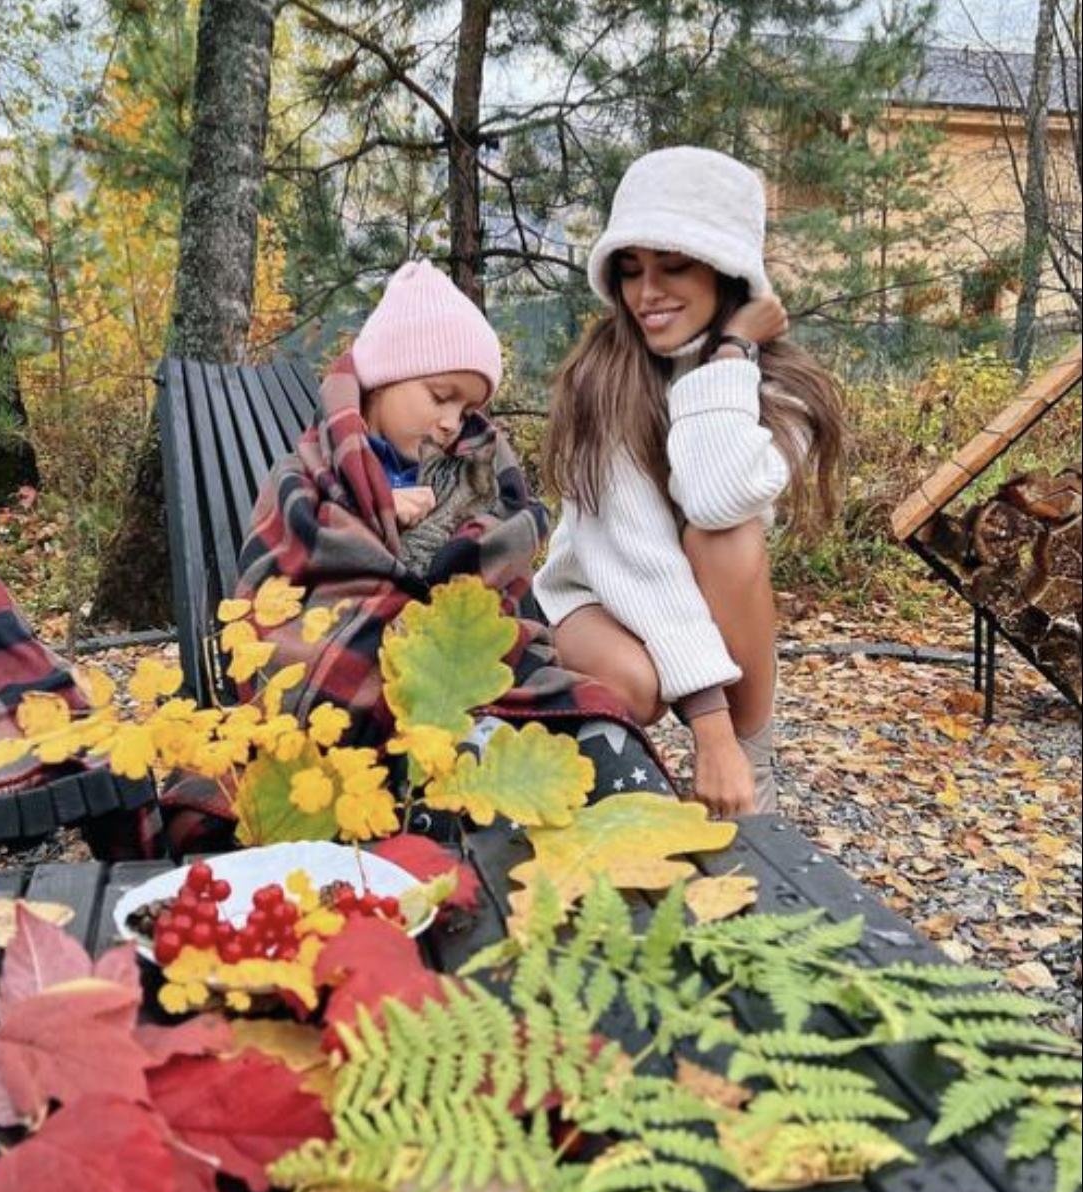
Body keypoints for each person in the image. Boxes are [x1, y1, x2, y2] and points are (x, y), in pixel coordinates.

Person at [162, 260, 673, 855]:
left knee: (599, 728)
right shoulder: (308, 476)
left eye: (466, 407)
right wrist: (379, 510)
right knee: (472, 751)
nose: (451, 422)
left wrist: (440, 532)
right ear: (383, 379)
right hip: (358, 684)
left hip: (467, 663)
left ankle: (662, 855)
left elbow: (500, 553)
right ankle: (492, 870)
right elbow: (272, 594)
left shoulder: (475, 469)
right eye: (440, 396)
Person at [534, 146, 846, 818]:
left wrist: (731, 355)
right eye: (630, 269)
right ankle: (608, 772)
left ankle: (751, 771)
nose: (646, 293)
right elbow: (638, 558)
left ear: (726, 270)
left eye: (673, 265)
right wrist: (708, 726)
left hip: (701, 592)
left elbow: (714, 494)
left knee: (725, 535)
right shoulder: (602, 378)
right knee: (634, 684)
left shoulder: (780, 389)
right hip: (595, 596)